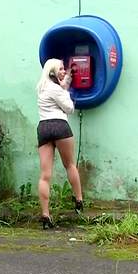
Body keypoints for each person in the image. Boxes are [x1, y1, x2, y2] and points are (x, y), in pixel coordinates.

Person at [35, 58, 84, 229]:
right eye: (61, 69)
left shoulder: (41, 88)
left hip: (43, 128)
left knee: (45, 175)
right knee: (69, 164)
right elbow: (69, 108)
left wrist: (63, 85)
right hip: (60, 126)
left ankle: (45, 214)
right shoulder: (55, 89)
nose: (64, 71)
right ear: (52, 73)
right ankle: (78, 200)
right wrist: (65, 90)